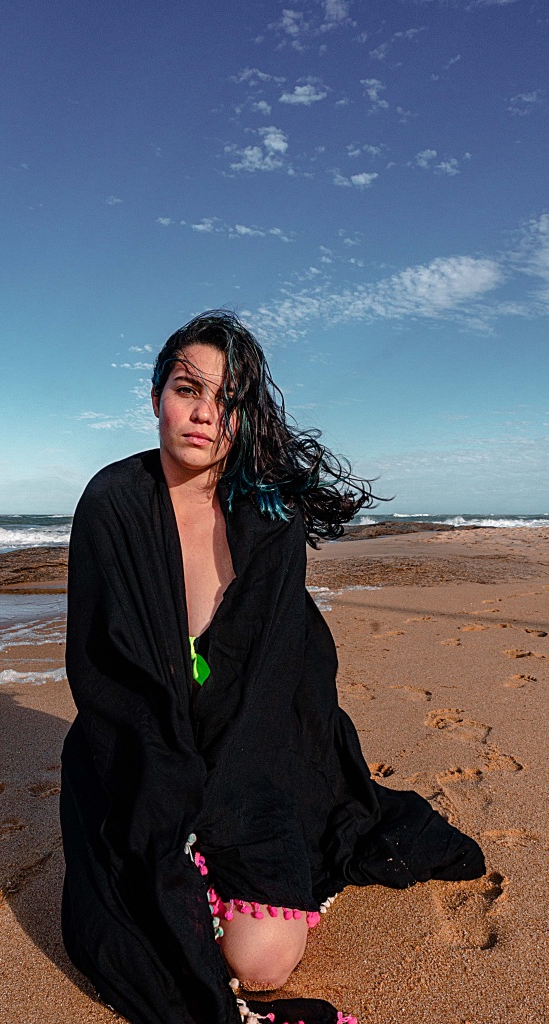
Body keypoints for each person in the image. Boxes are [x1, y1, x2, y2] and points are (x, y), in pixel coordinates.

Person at [60, 311, 485, 1024]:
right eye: (187, 389)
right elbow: (106, 675)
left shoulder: (269, 515)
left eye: (227, 400)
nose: (204, 414)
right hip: (139, 750)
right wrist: (171, 810)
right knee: (142, 927)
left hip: (256, 748)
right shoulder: (113, 503)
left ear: (245, 416)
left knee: (262, 963)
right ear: (156, 395)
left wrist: (222, 814)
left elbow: (272, 686)